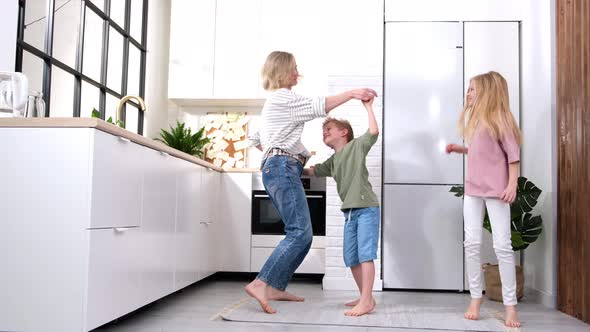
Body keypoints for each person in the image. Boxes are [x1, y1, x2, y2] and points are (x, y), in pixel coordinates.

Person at [246, 50, 377, 314]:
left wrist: (279, 156)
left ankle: (275, 287)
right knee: (300, 233)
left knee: (302, 235)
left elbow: (254, 138)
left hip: (280, 167)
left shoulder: (273, 102)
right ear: (282, 70)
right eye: (294, 68)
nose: (298, 73)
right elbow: (320, 106)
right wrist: (352, 93)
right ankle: (262, 282)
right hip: (282, 168)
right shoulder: (284, 97)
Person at [446, 71, 521, 328]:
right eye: (468, 89)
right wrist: (460, 149)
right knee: (472, 243)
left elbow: (513, 156)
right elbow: (483, 150)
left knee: (502, 246)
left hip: (497, 191)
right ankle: (475, 298)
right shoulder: (476, 120)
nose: (468, 93)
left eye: (472, 89)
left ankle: (510, 306)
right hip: (472, 190)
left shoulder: (502, 119)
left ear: (488, 91)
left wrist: (512, 185)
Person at [303, 97, 380, 317]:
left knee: (365, 255)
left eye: (329, 129)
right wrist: (293, 163)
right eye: (323, 131)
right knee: (351, 258)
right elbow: (313, 171)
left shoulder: (356, 146)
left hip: (366, 208)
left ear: (344, 132)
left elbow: (373, 132)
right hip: (350, 213)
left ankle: (365, 300)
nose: (324, 133)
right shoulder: (332, 161)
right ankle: (367, 297)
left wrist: (367, 106)